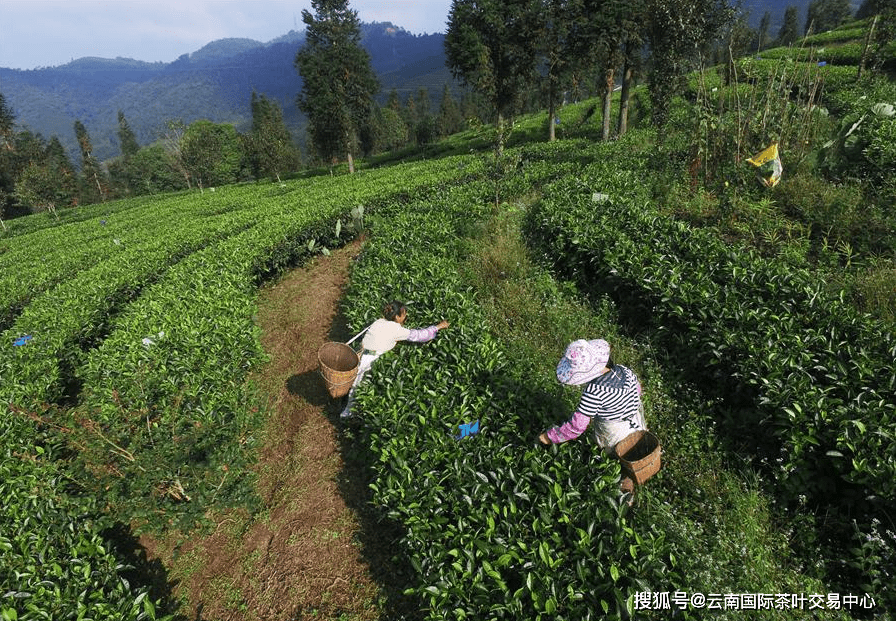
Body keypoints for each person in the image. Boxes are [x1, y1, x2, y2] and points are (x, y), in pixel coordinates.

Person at [537, 339, 647, 501]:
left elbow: (577, 427)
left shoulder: (594, 391)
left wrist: (548, 437)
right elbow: (638, 389)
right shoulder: (625, 371)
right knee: (631, 448)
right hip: (634, 419)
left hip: (612, 429)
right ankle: (629, 474)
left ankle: (625, 482)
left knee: (615, 454)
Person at [340, 301, 449, 419]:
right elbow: (420, 335)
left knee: (357, 384)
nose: (405, 317)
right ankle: (348, 415)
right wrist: (438, 327)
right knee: (359, 387)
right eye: (404, 314)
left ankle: (350, 412)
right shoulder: (396, 329)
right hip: (371, 360)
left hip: (361, 355)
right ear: (397, 317)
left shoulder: (378, 322)